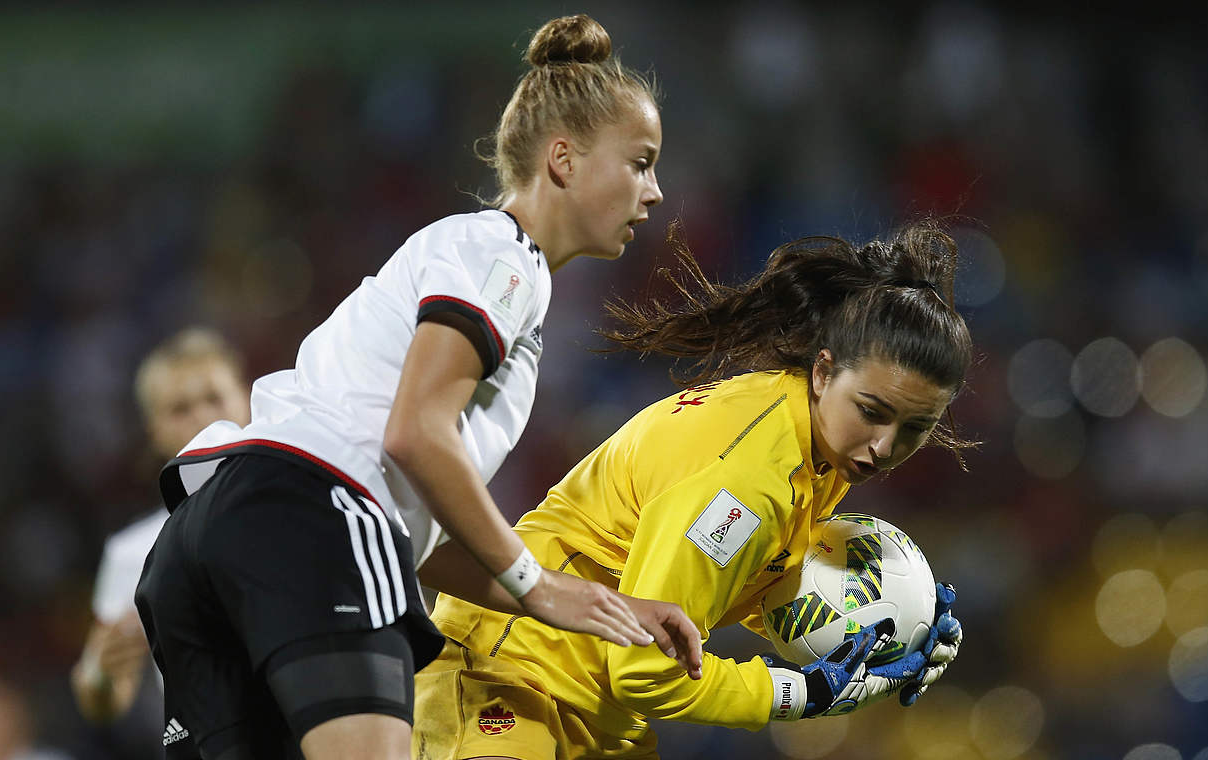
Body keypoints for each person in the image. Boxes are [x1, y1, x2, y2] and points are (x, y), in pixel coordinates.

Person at [135, 14, 701, 760]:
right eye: (640, 162)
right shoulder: (504, 257)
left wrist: (578, 601)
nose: (654, 192)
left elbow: (415, 534)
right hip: (314, 511)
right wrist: (538, 586)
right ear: (563, 159)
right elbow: (416, 435)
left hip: (216, 529)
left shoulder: (474, 258)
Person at [412, 223, 972, 760]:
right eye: (872, 412)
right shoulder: (749, 481)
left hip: (602, 702)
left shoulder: (815, 443)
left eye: (915, 428)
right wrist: (803, 693)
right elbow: (646, 675)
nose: (884, 446)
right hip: (511, 661)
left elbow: (730, 579)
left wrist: (886, 629)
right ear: (823, 372)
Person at [70, 327, 251, 725]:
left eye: (214, 397)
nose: (202, 416)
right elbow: (104, 697)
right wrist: (100, 675)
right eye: (179, 408)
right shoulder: (133, 554)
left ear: (246, 398)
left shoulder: (305, 501)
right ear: (154, 431)